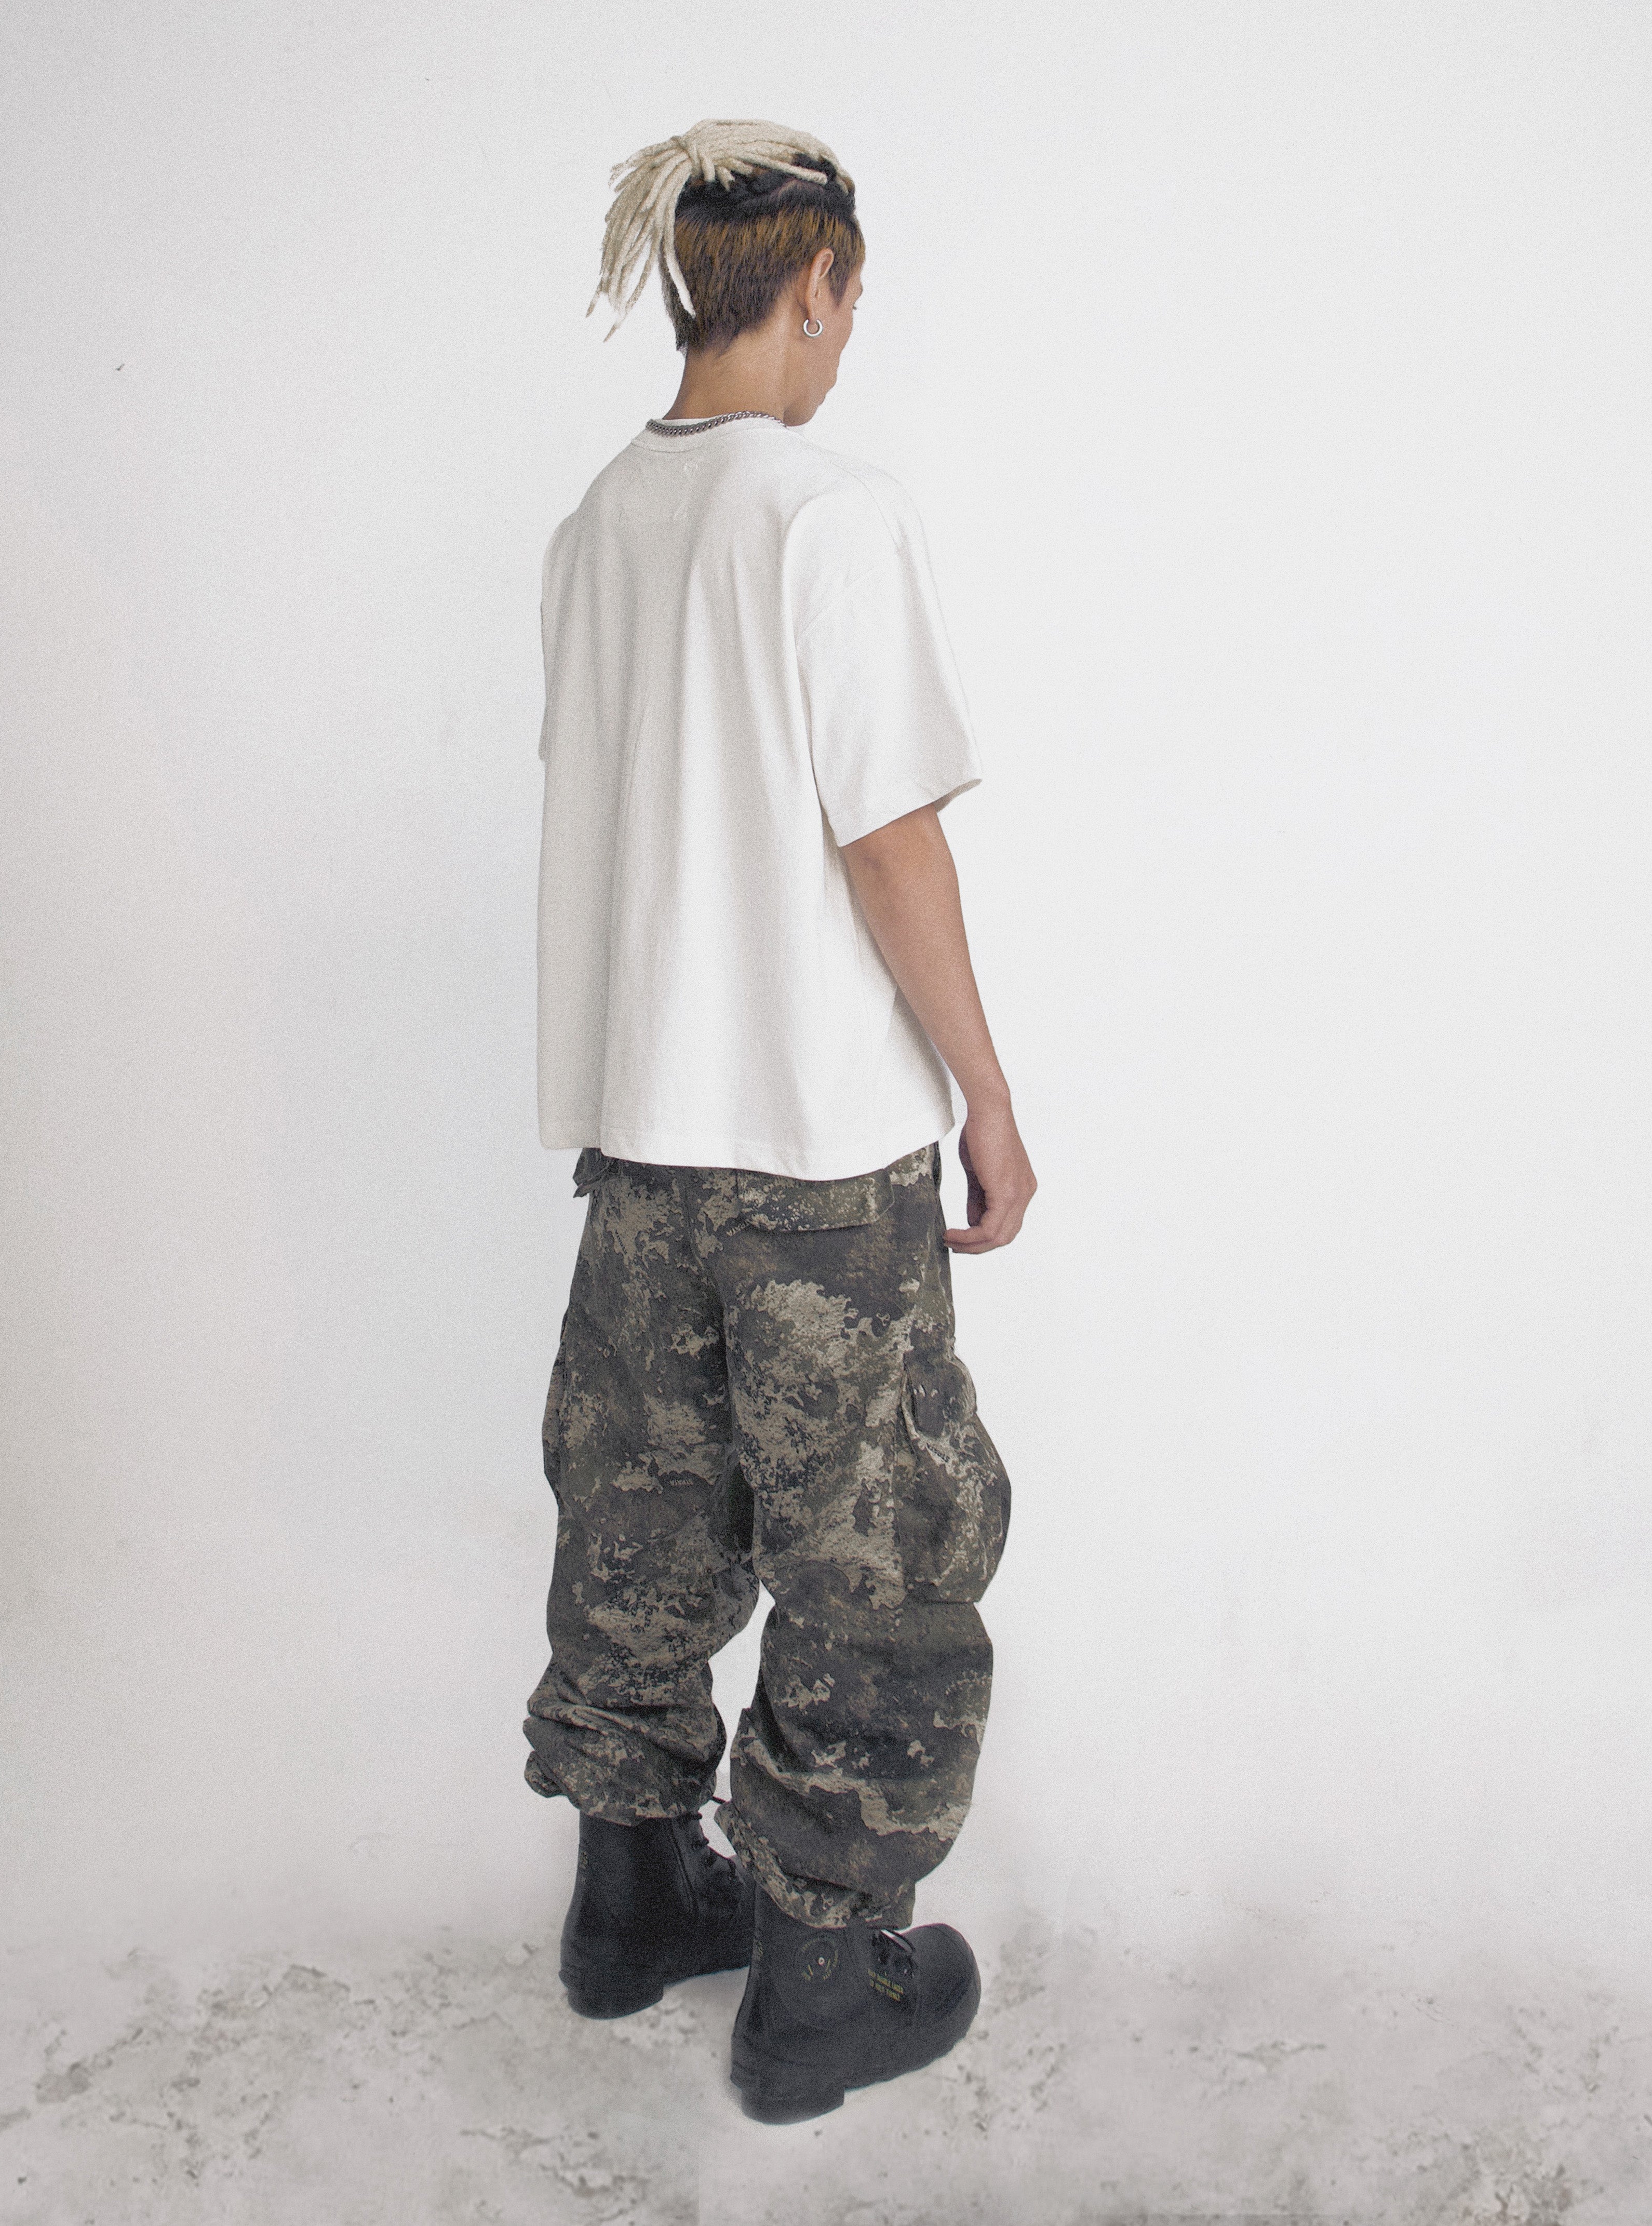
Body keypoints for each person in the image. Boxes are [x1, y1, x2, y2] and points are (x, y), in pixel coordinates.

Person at [522, 119, 1036, 2125]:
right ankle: (824, 1980)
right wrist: (987, 1088)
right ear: (813, 286)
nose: (845, 340)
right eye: (850, 303)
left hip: (641, 1134)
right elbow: (886, 837)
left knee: (642, 1507)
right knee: (874, 1547)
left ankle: (633, 1899)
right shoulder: (829, 512)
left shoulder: (597, 523)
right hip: (814, 1148)